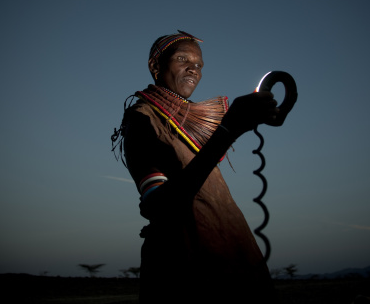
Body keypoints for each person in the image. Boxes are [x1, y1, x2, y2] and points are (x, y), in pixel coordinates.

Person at [112, 30, 280, 303]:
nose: (194, 68)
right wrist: (228, 132)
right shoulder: (142, 119)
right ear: (156, 67)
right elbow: (157, 205)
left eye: (199, 64)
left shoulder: (191, 127)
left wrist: (248, 122)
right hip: (186, 267)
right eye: (182, 59)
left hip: (232, 254)